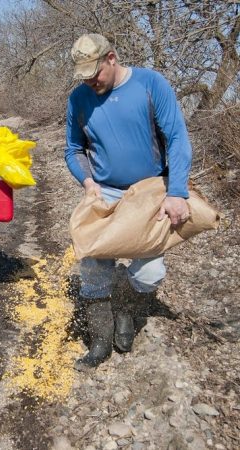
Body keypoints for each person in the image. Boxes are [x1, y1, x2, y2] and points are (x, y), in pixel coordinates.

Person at [65, 34, 192, 368]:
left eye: (95, 71)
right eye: (84, 74)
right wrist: (87, 181)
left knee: (150, 272)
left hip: (149, 192)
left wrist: (177, 192)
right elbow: (73, 149)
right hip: (104, 192)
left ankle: (128, 312)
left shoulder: (151, 84)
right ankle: (100, 342)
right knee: (93, 264)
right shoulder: (79, 98)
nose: (91, 80)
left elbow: (177, 137)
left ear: (112, 57)